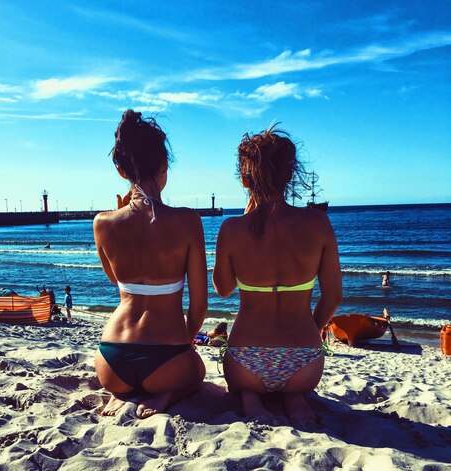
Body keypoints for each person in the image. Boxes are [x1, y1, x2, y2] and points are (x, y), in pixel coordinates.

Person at [213, 125, 342, 427]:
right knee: (295, 390)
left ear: (245, 179)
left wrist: (244, 224)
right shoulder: (318, 223)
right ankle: (294, 398)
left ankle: (250, 397)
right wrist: (310, 328)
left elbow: (223, 288)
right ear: (289, 175)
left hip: (246, 361)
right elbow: (334, 296)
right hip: (305, 364)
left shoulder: (232, 229)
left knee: (245, 385)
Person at [93, 109, 207, 418]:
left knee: (125, 381)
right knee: (197, 373)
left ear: (121, 171)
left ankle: (120, 394)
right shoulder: (187, 221)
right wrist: (186, 341)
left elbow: (117, 282)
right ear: (164, 165)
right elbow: (199, 306)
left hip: (112, 361)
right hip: (166, 359)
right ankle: (166, 395)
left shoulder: (103, 223)